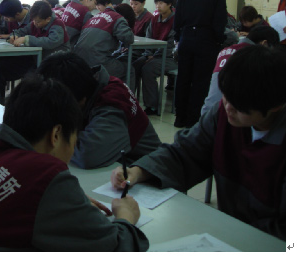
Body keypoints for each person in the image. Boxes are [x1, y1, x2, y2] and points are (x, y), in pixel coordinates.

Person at [0, 75, 149, 251]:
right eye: (75, 137)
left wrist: (59, 202)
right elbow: (116, 249)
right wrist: (126, 216)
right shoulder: (44, 175)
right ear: (56, 134)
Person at [111, 45, 286, 240]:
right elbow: (185, 153)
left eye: (239, 105)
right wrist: (138, 171)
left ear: (276, 106)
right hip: (228, 232)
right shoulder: (223, 115)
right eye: (226, 96)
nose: (228, 107)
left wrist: (236, 234)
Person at [37, 52, 160, 169]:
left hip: (143, 170)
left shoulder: (112, 103)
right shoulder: (87, 84)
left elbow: (87, 154)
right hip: (114, 167)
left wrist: (47, 139)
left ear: (81, 101)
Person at [173, 0, 227, 128]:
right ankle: (193, 118)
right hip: (207, 41)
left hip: (187, 37)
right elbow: (220, 21)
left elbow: (178, 17)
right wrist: (218, 40)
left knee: (183, 78)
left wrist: (178, 37)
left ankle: (179, 117)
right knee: (201, 81)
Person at [201, 25, 280, 116]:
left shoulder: (224, 51)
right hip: (229, 114)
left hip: (207, 112)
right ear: (264, 43)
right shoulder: (255, 58)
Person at [133, 0, 177, 116]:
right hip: (153, 55)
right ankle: (131, 100)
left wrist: (154, 56)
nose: (158, 6)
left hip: (170, 58)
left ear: (169, 4)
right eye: (156, 3)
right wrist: (148, 54)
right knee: (135, 65)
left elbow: (171, 45)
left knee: (148, 69)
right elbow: (148, 38)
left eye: (161, 3)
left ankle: (152, 106)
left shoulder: (175, 21)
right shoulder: (154, 19)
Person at [73, 0, 134, 85]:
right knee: (129, 70)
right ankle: (125, 94)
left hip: (80, 62)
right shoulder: (117, 18)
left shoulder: (94, 17)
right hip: (98, 62)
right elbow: (129, 38)